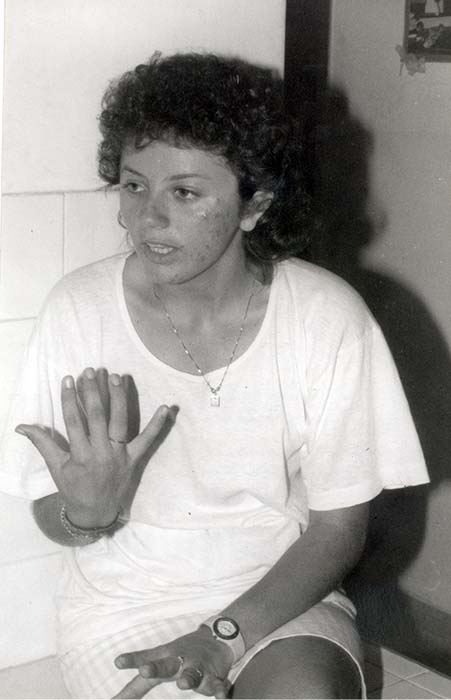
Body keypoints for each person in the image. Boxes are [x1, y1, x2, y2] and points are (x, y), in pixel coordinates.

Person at [0, 52, 429, 699]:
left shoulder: (325, 316)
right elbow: (51, 514)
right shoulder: (79, 308)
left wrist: (223, 634)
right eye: (133, 185)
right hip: (125, 605)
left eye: (184, 192)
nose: (147, 218)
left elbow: (339, 528)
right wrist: (87, 513)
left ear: (255, 205)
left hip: (282, 593)